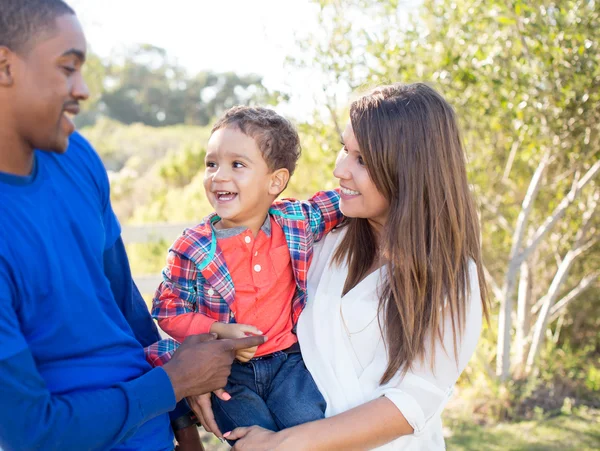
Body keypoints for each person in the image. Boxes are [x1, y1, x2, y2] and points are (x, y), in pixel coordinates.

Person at [0, 1, 264, 450]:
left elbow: (124, 301)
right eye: (68, 68)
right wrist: (174, 383)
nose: (82, 90)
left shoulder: (76, 158)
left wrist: (182, 425)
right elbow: (30, 428)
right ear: (5, 66)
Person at [199, 82, 489, 450]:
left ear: (409, 168)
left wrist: (282, 445)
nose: (339, 170)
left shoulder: (452, 277)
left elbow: (415, 401)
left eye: (362, 159)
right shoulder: (317, 242)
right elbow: (237, 307)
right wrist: (206, 376)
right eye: (343, 150)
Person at [148, 105, 343, 438]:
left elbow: (340, 202)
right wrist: (220, 329)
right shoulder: (193, 247)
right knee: (253, 436)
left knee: (307, 427)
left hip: (289, 364)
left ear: (275, 181)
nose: (219, 176)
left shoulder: (293, 221)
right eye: (212, 164)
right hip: (228, 372)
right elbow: (168, 310)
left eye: (237, 164)